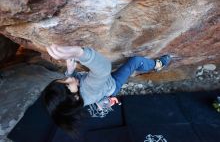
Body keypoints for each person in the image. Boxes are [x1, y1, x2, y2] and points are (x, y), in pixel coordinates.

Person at [43, 45, 171, 136]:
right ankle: (158, 65)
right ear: (76, 97)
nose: (68, 78)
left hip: (102, 89)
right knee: (135, 61)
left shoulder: (75, 96)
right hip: (113, 84)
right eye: (67, 83)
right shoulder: (89, 90)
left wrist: (70, 71)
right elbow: (103, 69)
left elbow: (72, 80)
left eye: (63, 79)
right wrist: (79, 53)